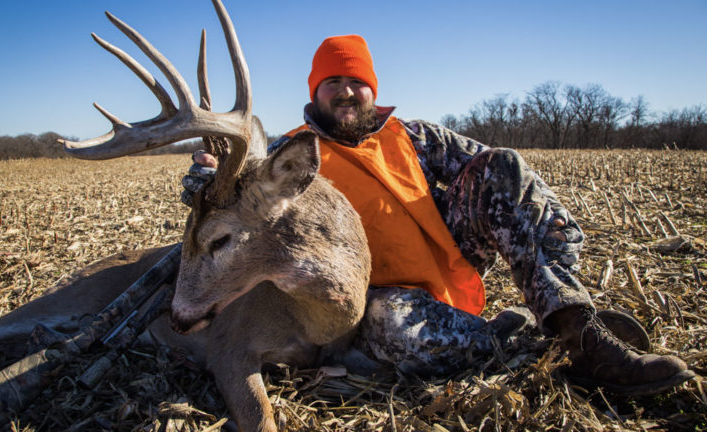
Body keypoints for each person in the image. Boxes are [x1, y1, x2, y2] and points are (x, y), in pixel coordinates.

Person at [181, 34, 694, 395]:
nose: (344, 90)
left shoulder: (417, 136)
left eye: (355, 80)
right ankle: (518, 344)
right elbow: (226, 196)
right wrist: (205, 178)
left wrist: (552, 238)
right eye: (331, 79)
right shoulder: (288, 156)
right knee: (391, 328)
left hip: (450, 266)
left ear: (371, 89)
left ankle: (576, 330)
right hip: (373, 294)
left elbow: (502, 180)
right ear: (314, 90)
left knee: (502, 166)